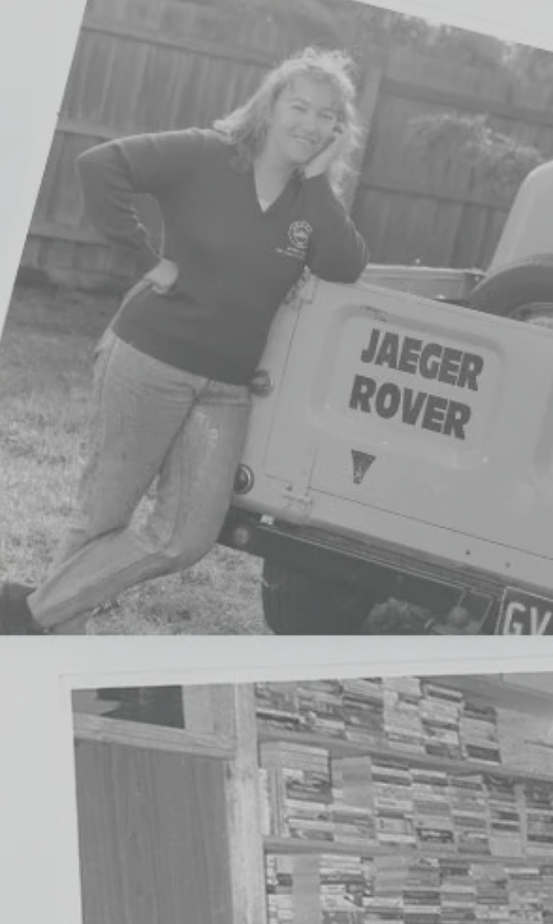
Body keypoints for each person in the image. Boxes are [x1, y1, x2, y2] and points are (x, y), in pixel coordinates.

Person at [1, 48, 370, 634]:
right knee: (103, 516)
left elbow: (345, 264)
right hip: (149, 360)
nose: (310, 124)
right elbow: (100, 166)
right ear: (270, 105)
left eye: (327, 116)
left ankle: (26, 615)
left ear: (337, 131)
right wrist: (147, 259)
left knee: (186, 535)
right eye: (299, 106)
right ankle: (47, 645)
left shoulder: (312, 198)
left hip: (225, 388)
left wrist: (321, 181)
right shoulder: (208, 154)